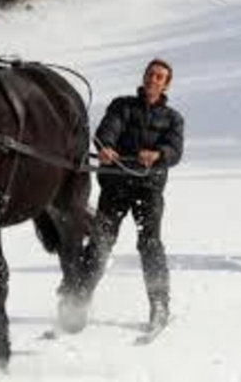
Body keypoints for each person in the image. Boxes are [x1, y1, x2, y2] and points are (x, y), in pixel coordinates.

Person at [89, 58, 184, 331]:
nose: (153, 79)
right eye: (150, 74)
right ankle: (77, 301)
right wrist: (106, 146)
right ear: (144, 77)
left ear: (166, 84)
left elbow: (175, 151)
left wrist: (158, 154)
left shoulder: (173, 118)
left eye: (159, 77)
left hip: (148, 188)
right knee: (100, 242)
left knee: (150, 244)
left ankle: (159, 305)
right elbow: (107, 130)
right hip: (116, 185)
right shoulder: (122, 106)